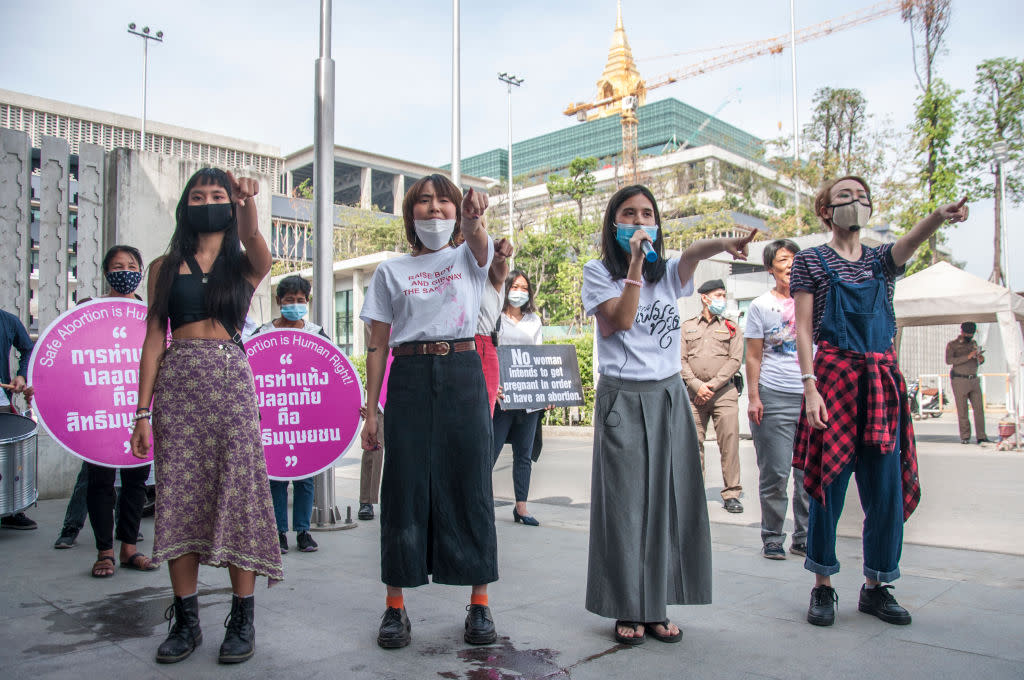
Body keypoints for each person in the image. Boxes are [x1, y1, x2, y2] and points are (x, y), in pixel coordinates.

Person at [791, 175, 969, 628]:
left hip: (881, 382)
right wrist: (810, 386)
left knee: (886, 490)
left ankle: (877, 586)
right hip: (833, 380)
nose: (857, 203)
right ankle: (823, 587)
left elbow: (910, 240)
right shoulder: (810, 261)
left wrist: (938, 216)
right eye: (845, 197)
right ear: (826, 210)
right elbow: (805, 329)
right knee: (828, 488)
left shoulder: (881, 261)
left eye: (863, 197)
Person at [583, 184, 754, 645]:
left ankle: (655, 607)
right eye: (629, 215)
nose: (640, 223)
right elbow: (618, 319)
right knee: (626, 507)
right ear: (613, 222)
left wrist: (724, 244)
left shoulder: (669, 274)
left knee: (668, 504)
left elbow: (694, 253)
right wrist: (636, 264)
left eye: (647, 215)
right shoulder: (598, 272)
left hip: (668, 397)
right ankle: (627, 606)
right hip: (622, 398)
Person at [129, 168, 282, 665]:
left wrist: (246, 202)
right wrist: (141, 412)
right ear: (185, 205)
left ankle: (243, 617)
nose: (208, 201)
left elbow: (257, 240)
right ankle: (187, 619)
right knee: (178, 496)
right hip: (178, 387)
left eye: (217, 195)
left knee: (239, 495)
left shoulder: (244, 265)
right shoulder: (163, 267)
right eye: (199, 195)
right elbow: (154, 340)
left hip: (230, 385)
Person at [360, 174, 498, 649]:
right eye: (424, 201)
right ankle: (395, 609)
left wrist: (476, 217)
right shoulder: (389, 271)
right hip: (409, 378)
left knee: (471, 482)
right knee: (403, 488)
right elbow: (377, 345)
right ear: (410, 213)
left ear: (457, 210)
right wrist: (371, 410)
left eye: (444, 201)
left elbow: (481, 240)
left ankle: (479, 604)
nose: (434, 209)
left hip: (462, 370)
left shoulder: (470, 256)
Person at [80, 246, 157, 577]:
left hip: (140, 411)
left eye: (131, 265)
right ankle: (104, 552)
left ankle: (129, 548)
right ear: (106, 272)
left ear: (140, 271)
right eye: (117, 266)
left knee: (136, 481)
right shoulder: (87, 311)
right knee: (100, 481)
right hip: (101, 412)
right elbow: (73, 360)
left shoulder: (151, 314)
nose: (124, 271)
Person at [248, 275, 330, 554]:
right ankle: (279, 531)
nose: (295, 305)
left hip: (306, 417)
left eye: (300, 300)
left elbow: (331, 373)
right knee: (276, 477)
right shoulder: (262, 334)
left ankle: (303, 531)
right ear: (278, 302)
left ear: (307, 302)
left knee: (307, 477)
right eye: (289, 300)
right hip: (274, 418)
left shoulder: (317, 333)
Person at [745, 239, 811, 560]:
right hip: (773, 396)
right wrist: (754, 397)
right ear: (771, 268)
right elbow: (754, 357)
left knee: (807, 474)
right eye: (783, 260)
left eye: (795, 259)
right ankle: (773, 536)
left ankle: (804, 536)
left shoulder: (813, 302)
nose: (790, 265)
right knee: (776, 472)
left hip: (809, 397)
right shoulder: (760, 306)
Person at [680, 279, 745, 513]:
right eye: (718, 295)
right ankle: (694, 494)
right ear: (705, 298)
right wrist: (697, 386)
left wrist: (712, 386)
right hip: (693, 395)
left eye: (723, 295)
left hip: (724, 393)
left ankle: (732, 493)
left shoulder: (732, 327)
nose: (722, 299)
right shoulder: (687, 327)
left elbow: (735, 360)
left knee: (729, 443)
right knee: (692, 445)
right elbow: (680, 359)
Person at [492, 270, 545, 526]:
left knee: (523, 455)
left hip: (530, 400)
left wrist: (548, 391)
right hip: (501, 399)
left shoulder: (534, 320)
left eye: (525, 288)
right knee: (488, 453)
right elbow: (489, 355)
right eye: (515, 286)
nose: (519, 292)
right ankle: (476, 503)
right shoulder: (495, 318)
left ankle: (521, 508)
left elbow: (540, 357)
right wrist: (492, 387)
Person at [0, 308, 36, 530]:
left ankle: (10, 509)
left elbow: (28, 349)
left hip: (0, 400)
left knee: (5, 459)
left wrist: (22, 374)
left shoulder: (7, 321)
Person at [945, 322, 990, 445]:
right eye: (968, 333)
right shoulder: (952, 345)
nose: (970, 336)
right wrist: (967, 356)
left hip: (974, 380)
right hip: (960, 380)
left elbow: (977, 360)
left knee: (979, 409)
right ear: (962, 332)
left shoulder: (974, 344)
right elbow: (949, 361)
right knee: (962, 409)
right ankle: (965, 436)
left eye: (972, 334)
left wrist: (980, 359)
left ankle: (981, 436)